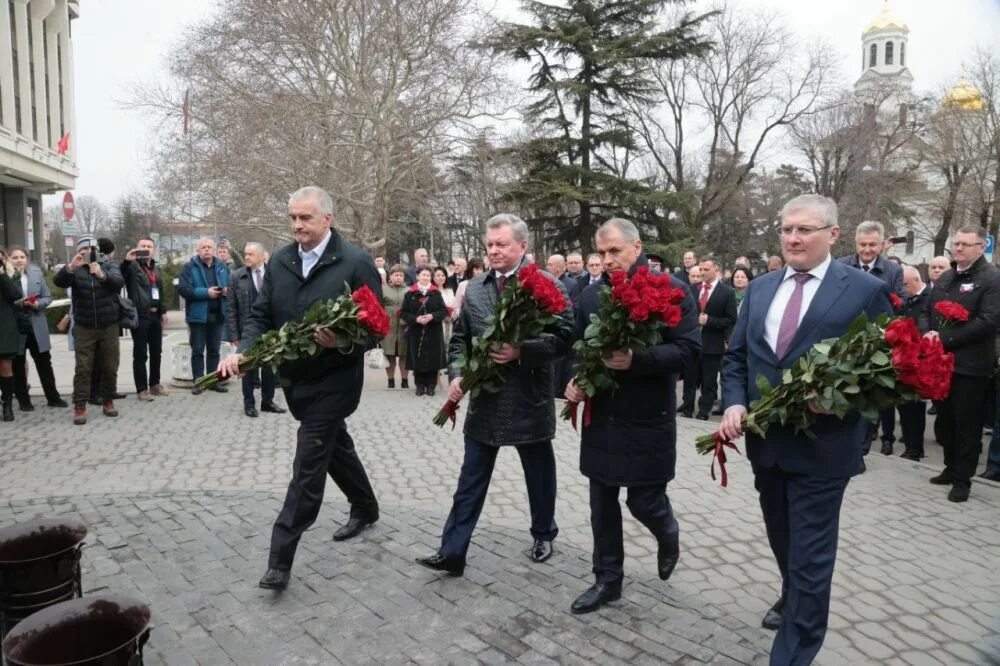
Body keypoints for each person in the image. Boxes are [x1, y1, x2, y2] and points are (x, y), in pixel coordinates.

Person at [719, 194, 892, 663]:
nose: (793, 238)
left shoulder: (861, 290)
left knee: (811, 558)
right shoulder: (759, 288)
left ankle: (794, 649)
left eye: (805, 230)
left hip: (824, 449)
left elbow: (889, 372)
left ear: (833, 235)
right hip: (766, 445)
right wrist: (734, 403)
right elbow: (737, 358)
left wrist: (837, 400)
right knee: (784, 540)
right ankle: (793, 598)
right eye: (786, 229)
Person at [218, 186, 382, 591]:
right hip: (296, 380)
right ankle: (365, 506)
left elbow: (375, 328)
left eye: (305, 218)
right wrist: (245, 352)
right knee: (334, 447)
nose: (297, 225)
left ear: (327, 219)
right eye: (292, 217)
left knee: (308, 464)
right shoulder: (280, 262)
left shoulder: (356, 262)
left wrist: (343, 341)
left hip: (337, 382)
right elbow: (260, 315)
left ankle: (280, 559)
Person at [416, 214, 573, 576]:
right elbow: (459, 340)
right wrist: (457, 374)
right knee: (470, 478)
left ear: (522, 246)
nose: (494, 251)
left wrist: (523, 351)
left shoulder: (546, 285)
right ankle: (452, 551)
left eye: (502, 244)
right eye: (489, 245)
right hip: (485, 401)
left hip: (528, 398)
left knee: (538, 473)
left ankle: (544, 533)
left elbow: (566, 336)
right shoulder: (476, 288)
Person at [564, 219, 700, 614]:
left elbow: (689, 352)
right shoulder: (591, 297)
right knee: (602, 502)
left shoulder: (671, 291)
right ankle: (607, 580)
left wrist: (637, 360)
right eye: (601, 253)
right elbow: (581, 347)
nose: (606, 261)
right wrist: (577, 381)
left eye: (614, 252)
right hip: (603, 415)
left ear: (636, 247)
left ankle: (667, 529)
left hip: (648, 415)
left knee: (644, 500)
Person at [919, 226, 1000, 503]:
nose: (959, 248)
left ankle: (962, 479)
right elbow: (927, 310)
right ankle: (950, 467)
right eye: (956, 243)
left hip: (970, 365)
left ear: (981, 247)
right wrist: (927, 333)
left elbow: (989, 321)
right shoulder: (948, 276)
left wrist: (943, 337)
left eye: (966, 244)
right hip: (940, 364)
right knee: (946, 421)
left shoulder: (992, 278)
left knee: (967, 424)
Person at [838, 221, 906, 458]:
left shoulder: (893, 271)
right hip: (844, 340)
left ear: (882, 245)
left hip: (875, 342)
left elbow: (900, 303)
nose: (867, 250)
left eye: (873, 245)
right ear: (856, 243)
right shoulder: (840, 265)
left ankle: (861, 451)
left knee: (866, 397)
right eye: (863, 244)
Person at [54, 235, 126, 426]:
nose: (88, 252)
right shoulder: (75, 268)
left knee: (110, 366)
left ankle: (108, 400)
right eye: (84, 249)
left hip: (108, 324)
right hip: (84, 326)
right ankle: (80, 405)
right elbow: (59, 281)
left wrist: (101, 274)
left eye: (92, 249)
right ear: (80, 251)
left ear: (98, 250)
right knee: (83, 368)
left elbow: (118, 283)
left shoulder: (109, 265)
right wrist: (71, 266)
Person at [226, 242, 286, 418]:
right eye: (245, 254)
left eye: (251, 254)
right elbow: (231, 308)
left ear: (262, 256)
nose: (246, 257)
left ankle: (267, 401)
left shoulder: (275, 274)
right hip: (248, 330)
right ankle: (249, 404)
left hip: (271, 330)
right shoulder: (237, 276)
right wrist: (234, 335)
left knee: (269, 367)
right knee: (248, 367)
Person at [8, 247, 66, 409]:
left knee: (44, 363)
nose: (19, 260)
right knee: (17, 365)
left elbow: (47, 297)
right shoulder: (5, 276)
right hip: (16, 326)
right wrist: (19, 304)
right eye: (15, 257)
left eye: (22, 257)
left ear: (27, 258)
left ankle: (53, 397)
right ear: (9, 260)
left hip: (36, 324)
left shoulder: (35, 273)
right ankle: (23, 401)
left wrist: (37, 303)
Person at [685, 257, 737, 420]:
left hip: (712, 344)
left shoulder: (727, 292)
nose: (702, 273)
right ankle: (686, 410)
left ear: (716, 269)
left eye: (706, 269)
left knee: (708, 383)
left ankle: (703, 412)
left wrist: (710, 321)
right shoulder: (692, 289)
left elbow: (731, 319)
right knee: (689, 380)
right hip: (691, 343)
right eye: (700, 269)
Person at [179, 238, 231, 394]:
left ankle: (213, 381)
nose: (207, 249)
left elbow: (231, 286)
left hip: (218, 314)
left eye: (209, 247)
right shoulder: (189, 267)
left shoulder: (222, 266)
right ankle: (199, 382)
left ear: (214, 250)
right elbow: (184, 289)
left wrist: (227, 290)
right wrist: (206, 293)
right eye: (203, 247)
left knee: (214, 351)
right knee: (197, 351)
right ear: (198, 250)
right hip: (198, 316)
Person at [122, 237, 169, 402]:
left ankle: (155, 384)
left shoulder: (155, 268)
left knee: (157, 352)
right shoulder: (133, 267)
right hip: (141, 315)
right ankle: (141, 389)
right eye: (143, 246)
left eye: (149, 246)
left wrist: (163, 311)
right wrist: (127, 261)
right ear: (137, 248)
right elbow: (121, 276)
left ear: (153, 249)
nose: (146, 248)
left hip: (155, 315)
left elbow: (160, 291)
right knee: (141, 354)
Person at [897, 265, 929, 461]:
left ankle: (915, 448)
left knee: (915, 407)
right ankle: (910, 446)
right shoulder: (906, 299)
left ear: (916, 281)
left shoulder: (929, 298)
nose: (902, 288)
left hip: (920, 359)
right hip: (904, 358)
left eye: (905, 284)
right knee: (904, 406)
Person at [402, 267, 448, 396]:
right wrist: (416, 319)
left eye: (428, 275)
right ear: (417, 276)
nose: (425, 277)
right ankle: (420, 386)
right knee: (418, 358)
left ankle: (431, 386)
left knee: (433, 358)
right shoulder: (410, 294)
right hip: (416, 331)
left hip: (433, 331)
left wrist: (432, 316)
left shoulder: (436, 293)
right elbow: (404, 313)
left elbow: (443, 311)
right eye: (423, 275)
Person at [0, 248, 23, 421]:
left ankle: (7, 404)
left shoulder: (10, 274)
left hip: (4, 325)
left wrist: (1, 276)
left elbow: (16, 295)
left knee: (5, 366)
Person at [381, 265, 410, 389]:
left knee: (404, 354)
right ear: (390, 276)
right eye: (396, 275)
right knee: (389, 354)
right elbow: (378, 307)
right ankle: (390, 380)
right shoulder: (383, 290)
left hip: (405, 327)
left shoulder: (409, 290)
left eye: (401, 275)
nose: (398, 278)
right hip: (388, 326)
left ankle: (404, 380)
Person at [432, 266, 457, 341]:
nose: (441, 277)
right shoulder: (432, 292)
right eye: (438, 275)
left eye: (443, 275)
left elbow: (455, 306)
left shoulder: (450, 290)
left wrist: (452, 316)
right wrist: (443, 316)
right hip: (438, 323)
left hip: (450, 322)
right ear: (433, 278)